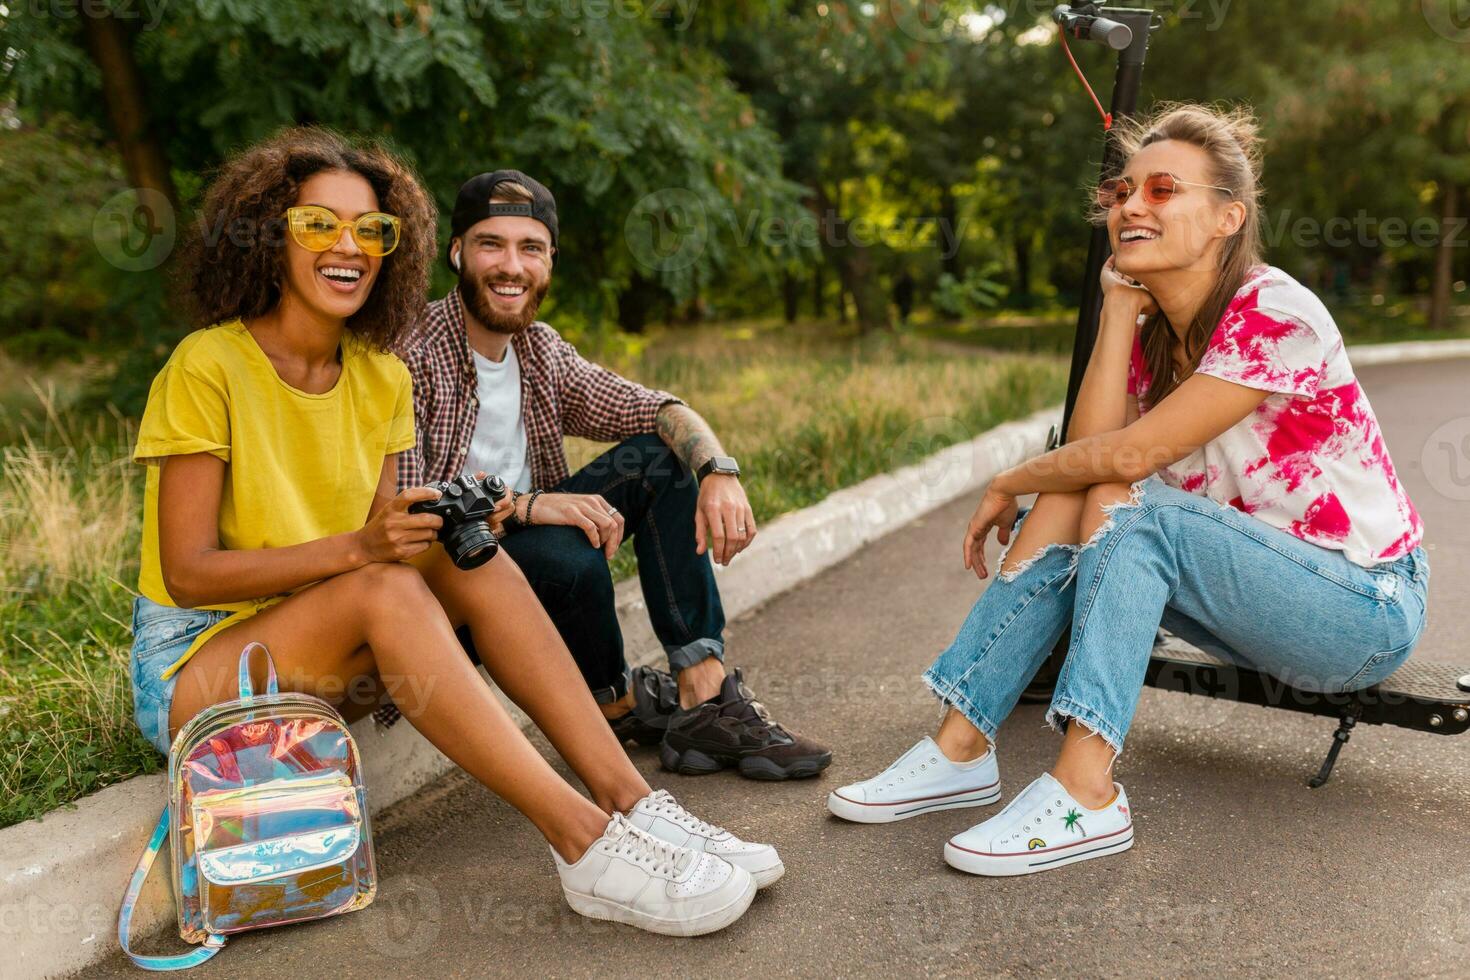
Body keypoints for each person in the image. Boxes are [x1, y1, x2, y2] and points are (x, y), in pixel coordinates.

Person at [128, 128, 782, 937]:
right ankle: (582, 844)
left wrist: (422, 531)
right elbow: (188, 572)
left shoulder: (379, 376)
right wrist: (365, 551)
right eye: (318, 225)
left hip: (325, 655)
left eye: (372, 230)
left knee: (449, 552)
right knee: (389, 578)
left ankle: (637, 804)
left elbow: (385, 544)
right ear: (271, 235)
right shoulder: (207, 366)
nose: (349, 247)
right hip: (203, 673)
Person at [827, 104, 1430, 876]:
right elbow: (1086, 458)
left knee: (1130, 501)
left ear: (1226, 218)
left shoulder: (1274, 311)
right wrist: (1117, 310)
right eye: (1123, 191)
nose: (1131, 206)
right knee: (1079, 490)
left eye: (1163, 190)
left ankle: (1088, 792)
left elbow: (1136, 452)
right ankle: (961, 744)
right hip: (1254, 599)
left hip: (1361, 610)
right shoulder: (1154, 335)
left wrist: (1009, 478)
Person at [395, 170, 831, 780]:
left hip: (532, 540)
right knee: (567, 554)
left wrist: (717, 469)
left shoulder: (540, 351)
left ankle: (701, 695)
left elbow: (658, 409)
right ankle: (616, 704)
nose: (510, 266)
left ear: (550, 261)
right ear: (457, 252)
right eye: (491, 244)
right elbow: (406, 511)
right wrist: (524, 507)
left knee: (660, 454)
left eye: (531, 248)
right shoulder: (410, 352)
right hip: (451, 580)